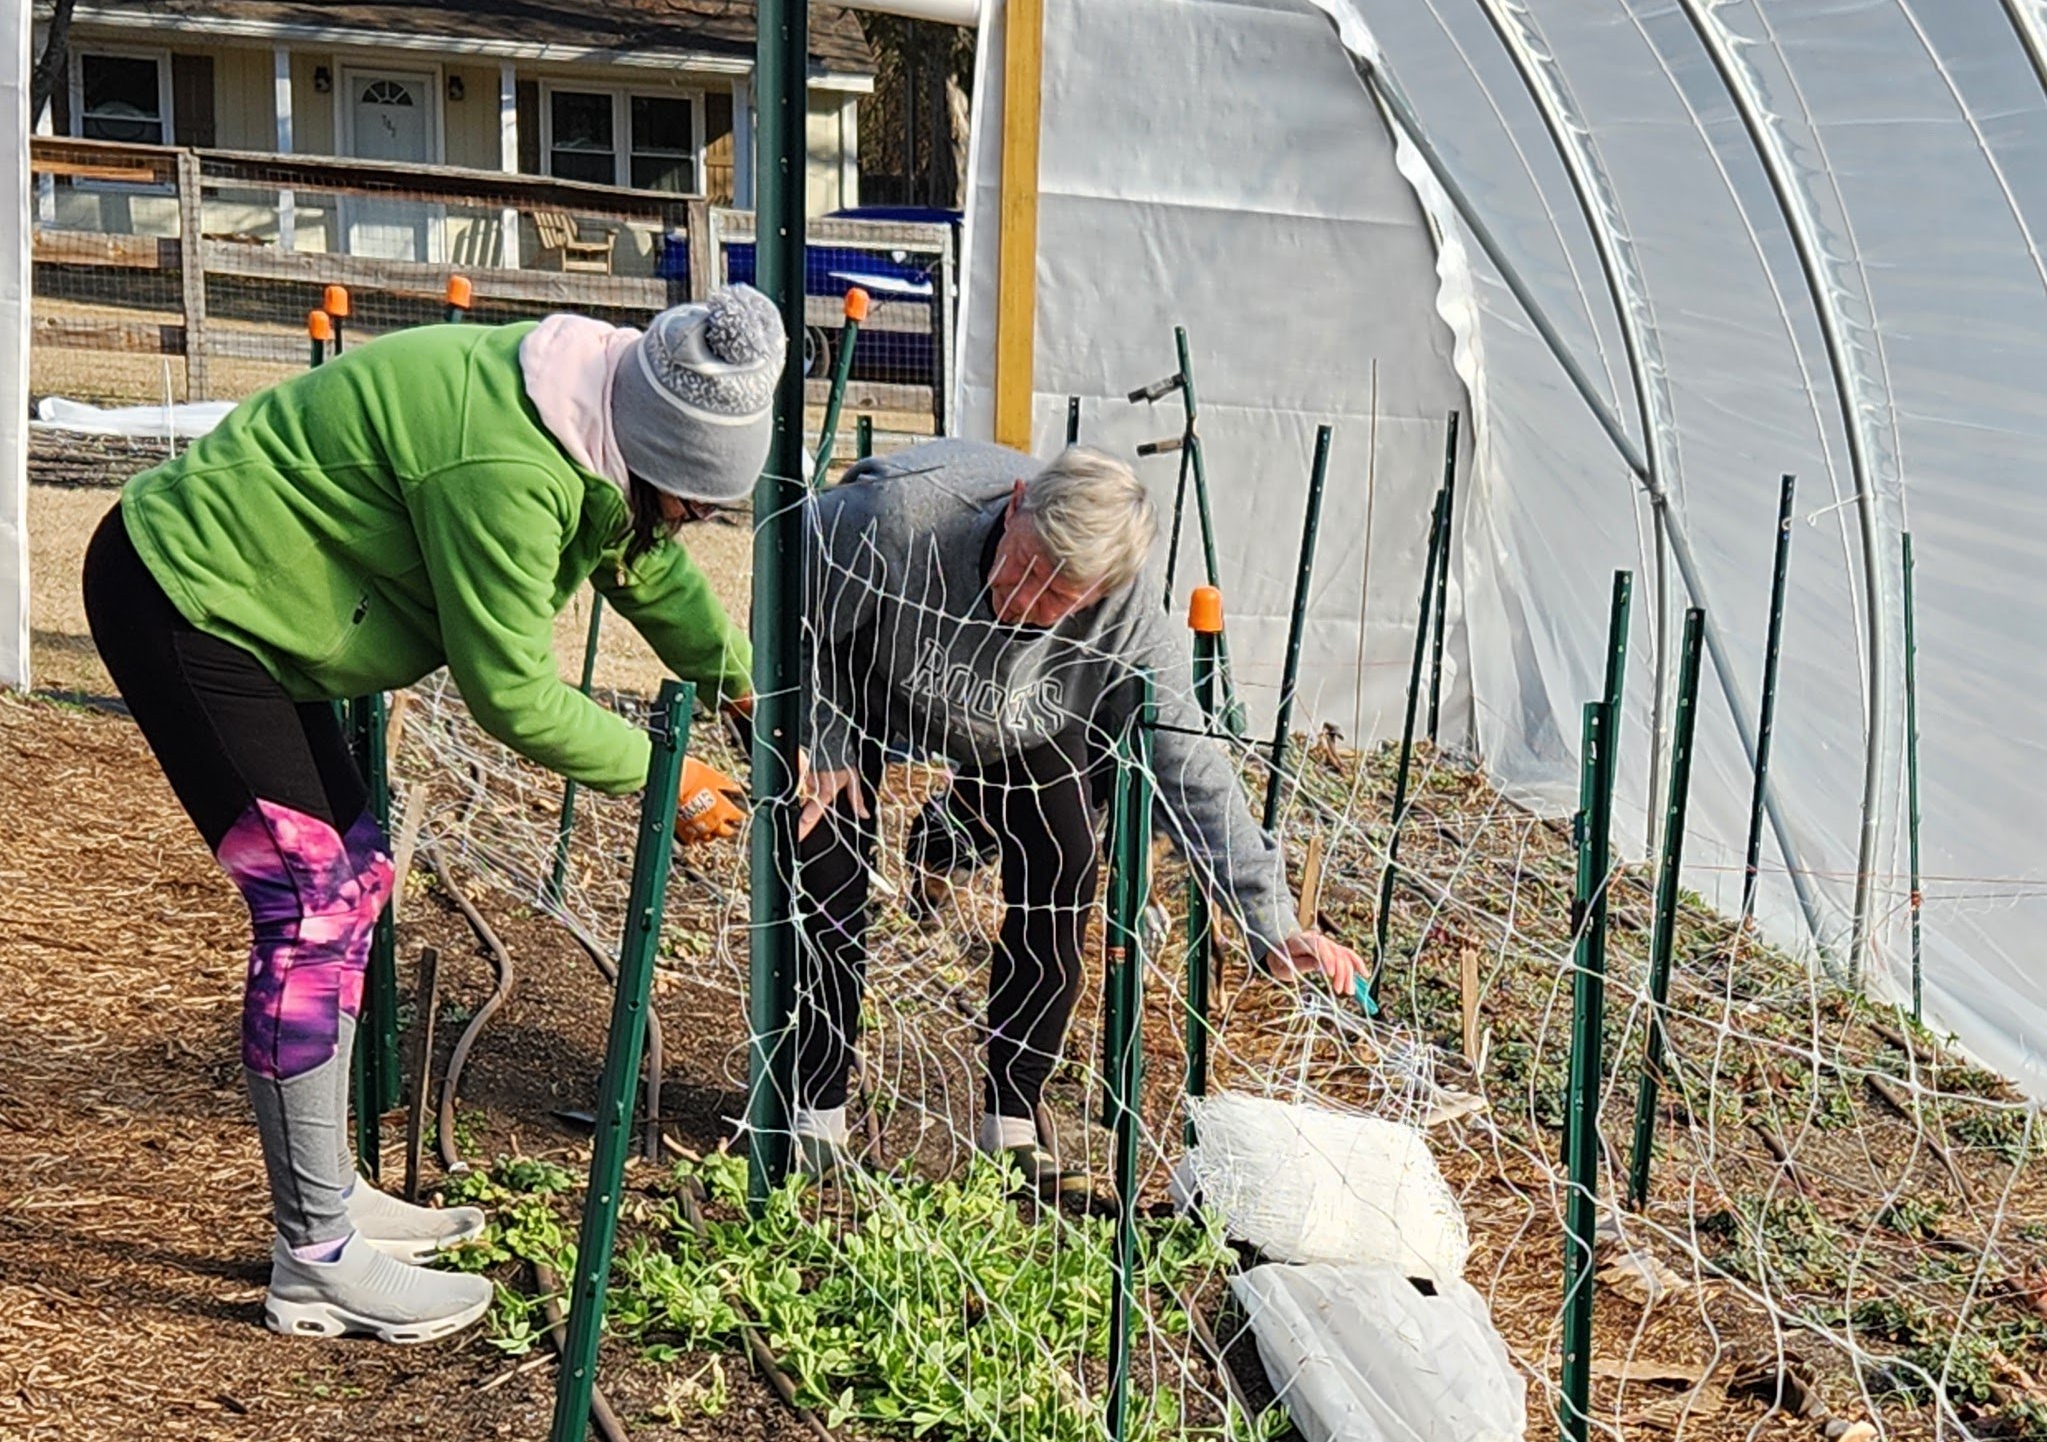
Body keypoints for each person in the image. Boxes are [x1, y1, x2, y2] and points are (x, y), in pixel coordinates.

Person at [83, 286, 777, 1343]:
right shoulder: (509, 465)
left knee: (355, 877)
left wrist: (739, 690)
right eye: (691, 500)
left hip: (262, 618)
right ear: (647, 454)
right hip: (192, 600)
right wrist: (664, 775)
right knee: (310, 905)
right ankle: (314, 1256)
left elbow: (641, 562)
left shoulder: (594, 409)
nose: (694, 522)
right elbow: (512, 694)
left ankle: (333, 1196)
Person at [795, 439, 1366, 1192]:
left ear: (1103, 589)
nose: (1026, 598)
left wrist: (1271, 922)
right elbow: (791, 596)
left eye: (1059, 593)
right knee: (825, 858)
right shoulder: (895, 520)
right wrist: (824, 730)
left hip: (1023, 717)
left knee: (1064, 863)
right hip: (865, 675)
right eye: (1024, 563)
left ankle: (1013, 1119)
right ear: (1018, 500)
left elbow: (1189, 764)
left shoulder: (1126, 618)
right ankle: (810, 1109)